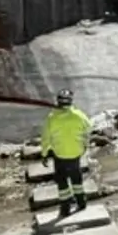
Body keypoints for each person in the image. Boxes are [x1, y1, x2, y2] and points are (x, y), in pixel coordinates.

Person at [40, 89, 92, 219]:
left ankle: (65, 208)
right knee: (76, 178)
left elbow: (46, 137)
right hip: (75, 153)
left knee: (62, 181)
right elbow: (89, 128)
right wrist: (84, 143)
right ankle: (81, 202)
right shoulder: (79, 115)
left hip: (60, 154)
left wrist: (44, 153)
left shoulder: (52, 118)